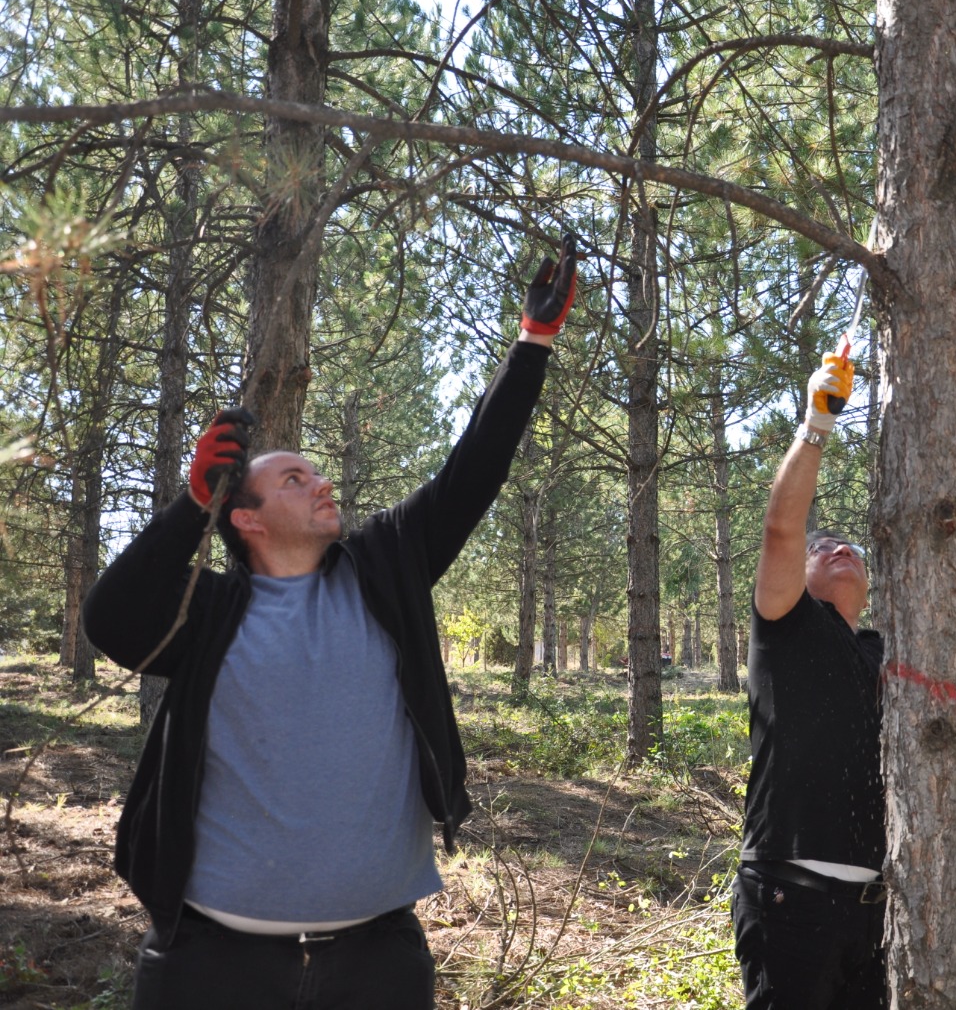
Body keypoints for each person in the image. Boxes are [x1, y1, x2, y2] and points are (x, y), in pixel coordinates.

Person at [82, 234, 582, 1010]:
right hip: (211, 964)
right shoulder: (207, 610)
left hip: (376, 963)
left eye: (318, 473)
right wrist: (190, 504)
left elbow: (473, 469)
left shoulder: (385, 570)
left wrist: (532, 344)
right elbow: (111, 621)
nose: (321, 485)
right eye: (294, 478)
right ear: (244, 518)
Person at [731, 345, 888, 1010]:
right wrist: (818, 422)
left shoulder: (882, 652)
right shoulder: (785, 623)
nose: (841, 549)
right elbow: (780, 527)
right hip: (788, 898)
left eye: (851, 546)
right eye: (825, 548)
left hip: (876, 918)